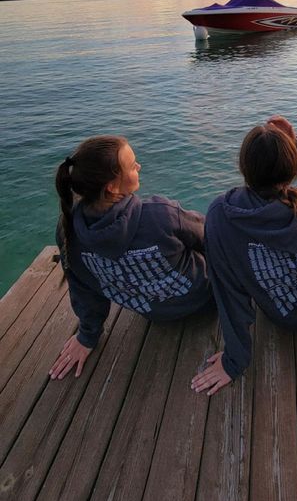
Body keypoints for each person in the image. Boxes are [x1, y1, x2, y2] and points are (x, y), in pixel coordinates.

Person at [191, 116, 297, 396]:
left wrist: (233, 361)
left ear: (244, 169)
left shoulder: (223, 217)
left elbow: (228, 291)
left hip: (289, 316)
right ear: (292, 169)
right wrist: (295, 144)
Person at [50, 135, 212, 380]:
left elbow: (83, 289)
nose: (139, 167)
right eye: (133, 164)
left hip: (153, 313)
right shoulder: (160, 216)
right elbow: (213, 238)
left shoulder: (68, 233)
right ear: (112, 187)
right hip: (205, 300)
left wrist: (87, 336)